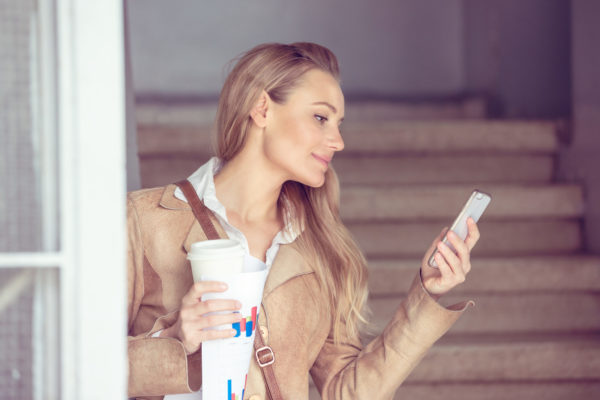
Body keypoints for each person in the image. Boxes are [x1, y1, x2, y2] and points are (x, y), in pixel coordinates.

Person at [126, 42, 479, 400]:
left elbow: (347, 392)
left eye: (338, 124)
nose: (338, 141)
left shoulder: (319, 249)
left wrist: (426, 294)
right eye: (321, 118)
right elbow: (78, 363)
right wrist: (172, 341)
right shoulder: (143, 220)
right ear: (262, 108)